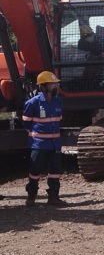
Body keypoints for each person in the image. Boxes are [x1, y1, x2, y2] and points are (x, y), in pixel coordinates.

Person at [21, 71, 65, 206]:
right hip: (39, 144)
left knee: (55, 171)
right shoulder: (33, 103)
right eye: (52, 84)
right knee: (35, 171)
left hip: (54, 144)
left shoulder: (58, 101)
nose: (55, 86)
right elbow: (26, 123)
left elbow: (58, 120)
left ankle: (53, 197)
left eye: (55, 84)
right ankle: (31, 197)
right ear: (43, 86)